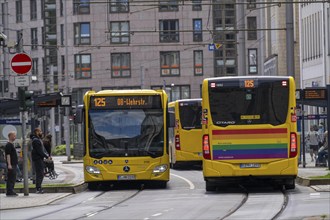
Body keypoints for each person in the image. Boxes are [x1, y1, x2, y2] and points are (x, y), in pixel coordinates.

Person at [31, 128, 50, 194]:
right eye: (40, 131)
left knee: (41, 173)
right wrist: (46, 156)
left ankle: (39, 187)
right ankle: (38, 188)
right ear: (36, 132)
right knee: (40, 173)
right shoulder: (36, 140)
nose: (41, 133)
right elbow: (39, 151)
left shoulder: (37, 140)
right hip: (38, 159)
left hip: (39, 158)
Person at [4, 131, 18, 196]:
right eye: (14, 136)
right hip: (11, 164)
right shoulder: (8, 145)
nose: (15, 137)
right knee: (11, 178)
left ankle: (11, 190)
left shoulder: (11, 144)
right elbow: (8, 155)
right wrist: (9, 164)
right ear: (10, 136)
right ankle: (10, 191)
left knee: (13, 177)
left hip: (13, 164)